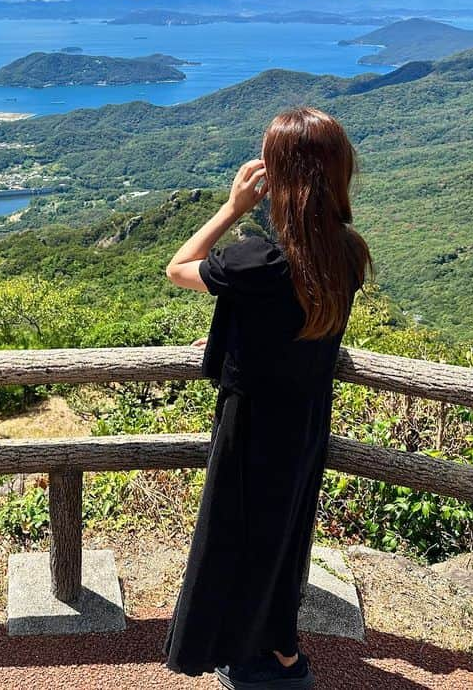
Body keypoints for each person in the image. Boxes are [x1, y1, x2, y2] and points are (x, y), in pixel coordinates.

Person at [161, 106, 372, 689]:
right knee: (284, 532)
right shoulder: (347, 252)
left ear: (279, 177)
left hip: (251, 420)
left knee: (235, 533)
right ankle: (281, 647)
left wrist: (233, 207)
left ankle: (235, 648)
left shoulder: (257, 258)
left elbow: (179, 267)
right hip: (306, 418)